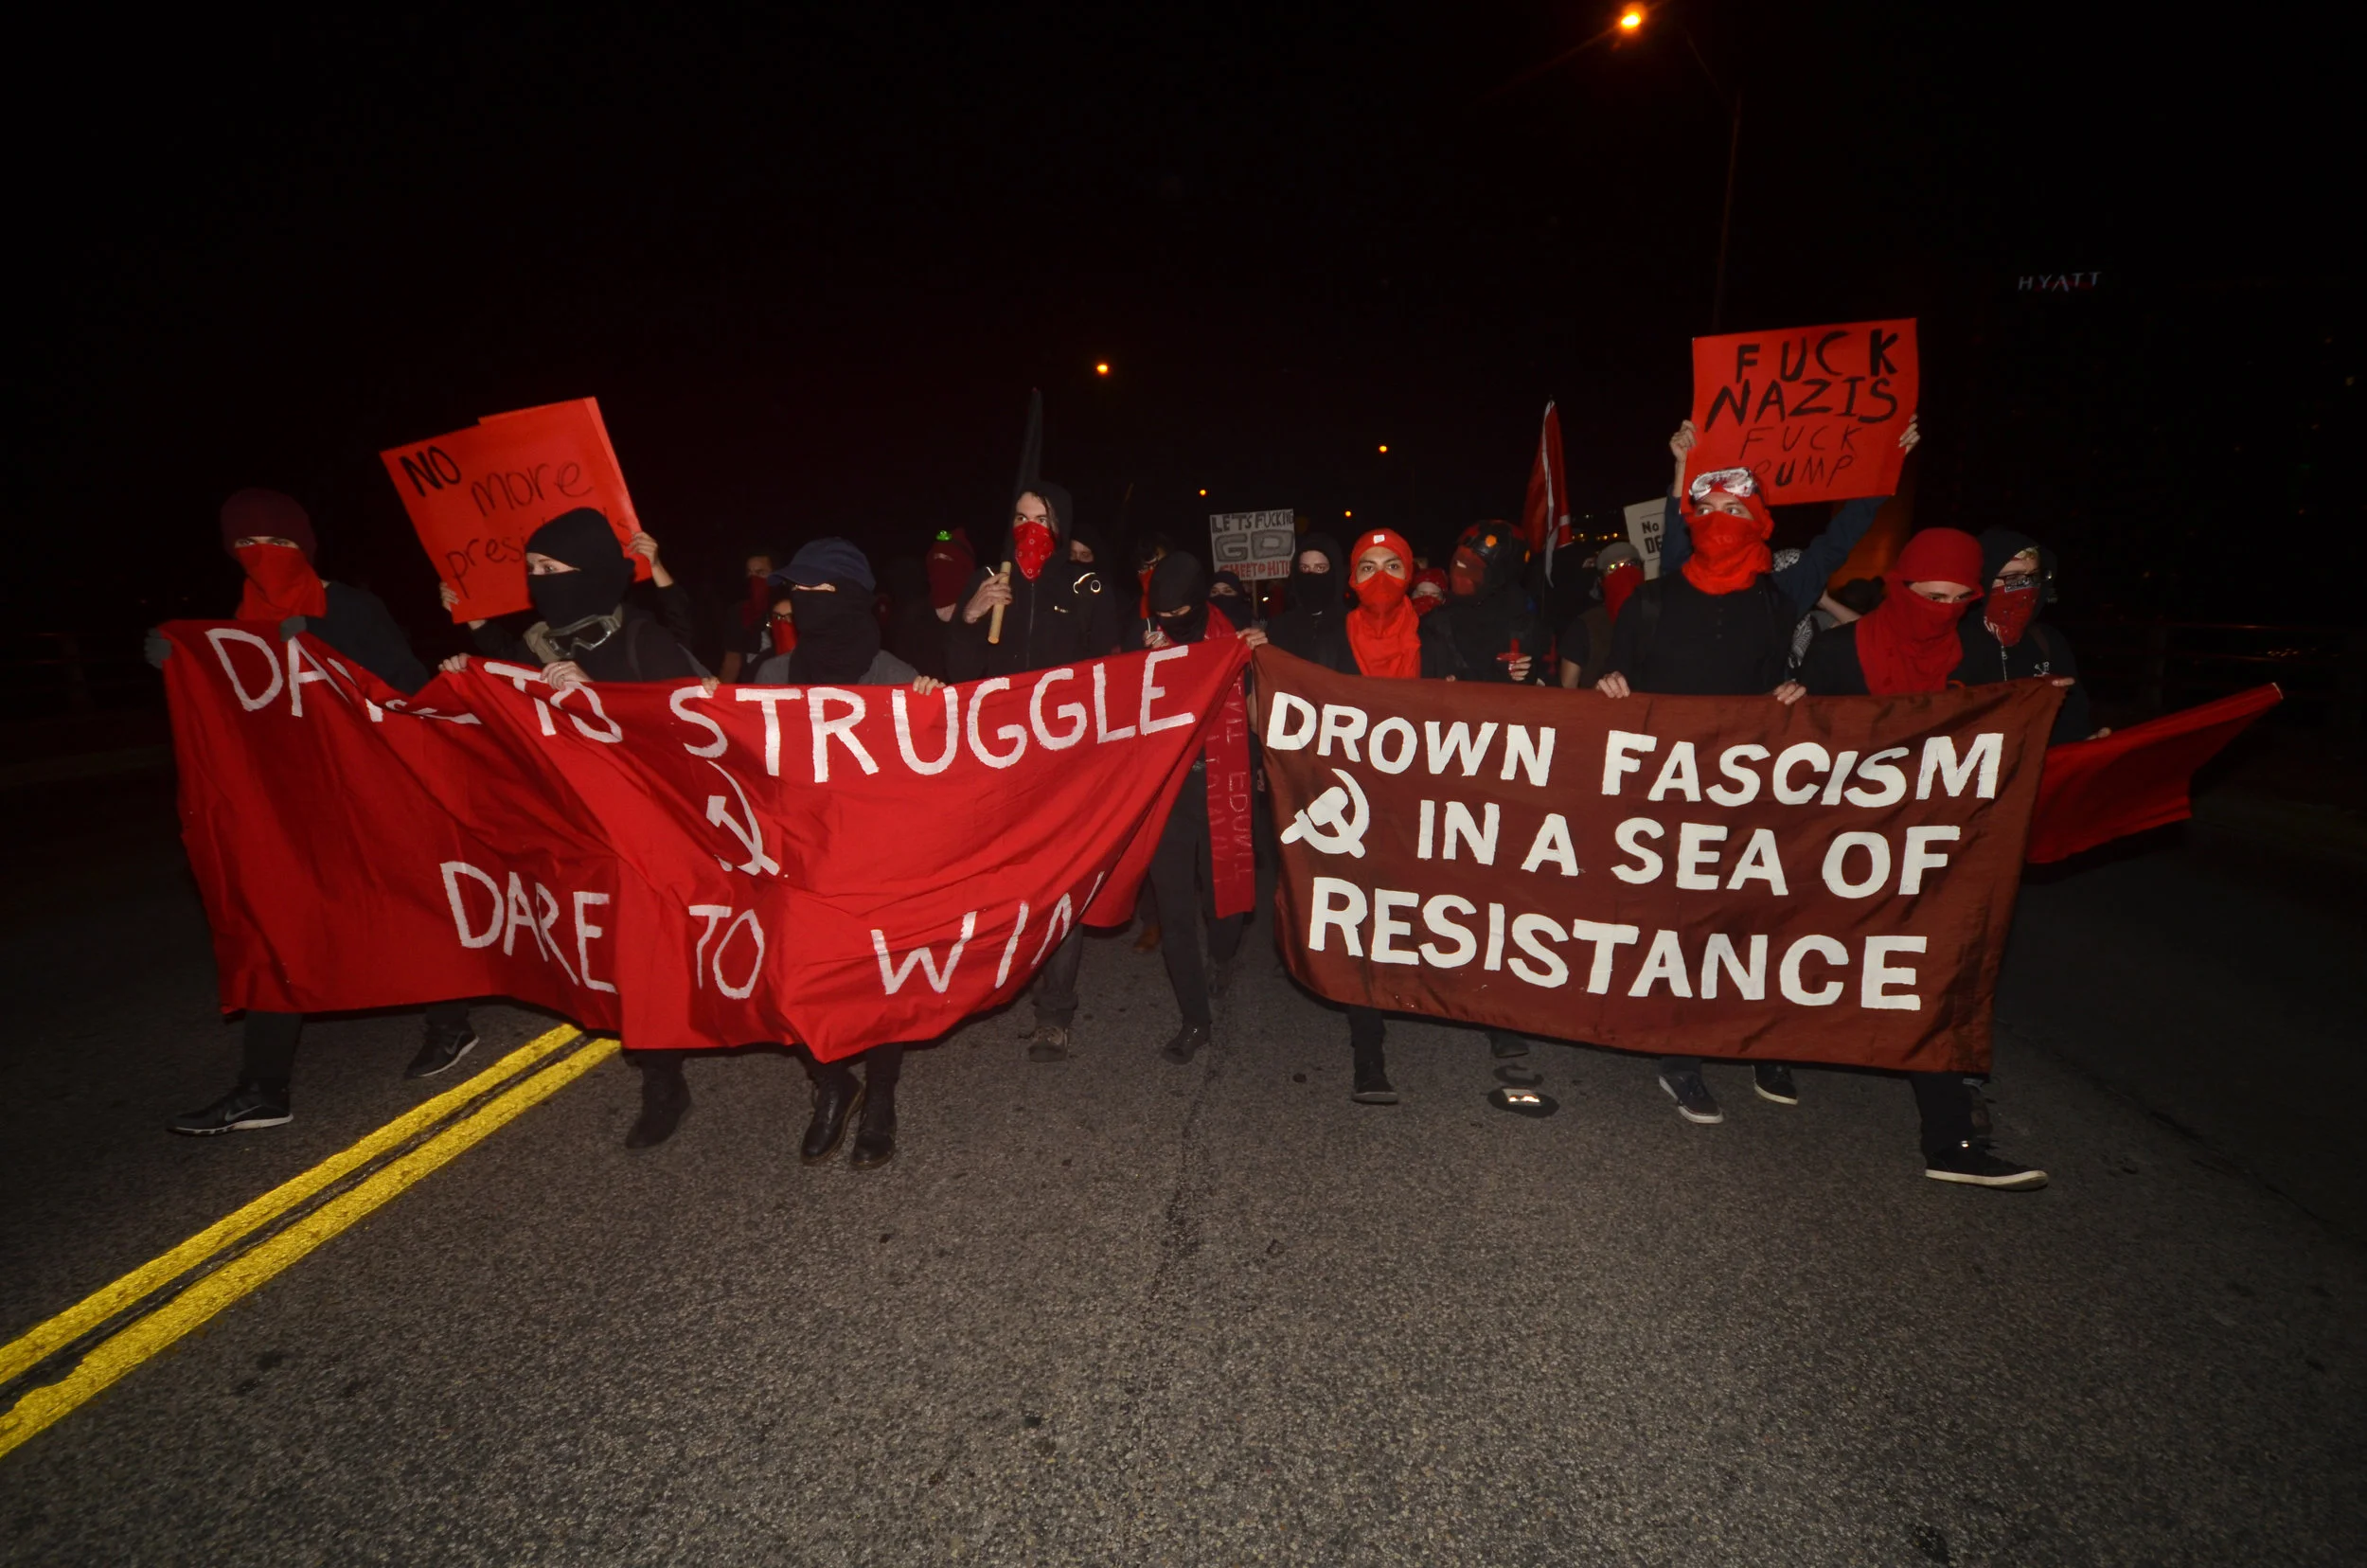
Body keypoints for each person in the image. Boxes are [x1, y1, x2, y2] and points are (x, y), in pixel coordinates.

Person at [1597, 415, 1919, 1126]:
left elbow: (1839, 541)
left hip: (1749, 789)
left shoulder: (1782, 597)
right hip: (1667, 790)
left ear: (1760, 522)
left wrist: (1882, 470)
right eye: (1706, 510)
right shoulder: (1652, 601)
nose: (1719, 521)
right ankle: (1681, 1058)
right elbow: (1612, 676)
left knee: (1747, 919)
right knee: (1680, 925)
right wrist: (1612, 686)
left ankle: (1756, 1037)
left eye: (1735, 510)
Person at [151, 489, 480, 1135]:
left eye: (278, 544)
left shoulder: (351, 607)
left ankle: (451, 1022)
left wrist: (329, 651)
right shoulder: (240, 623)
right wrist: (179, 666)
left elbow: (410, 686)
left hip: (369, 792)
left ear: (304, 547)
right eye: (247, 546)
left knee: (406, 907)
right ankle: (263, 1088)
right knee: (280, 924)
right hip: (293, 806)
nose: (263, 557)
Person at [445, 508, 713, 1149]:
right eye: (532, 570)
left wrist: (595, 696)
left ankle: (805, 1063)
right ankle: (662, 1076)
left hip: (655, 830)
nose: (539, 580)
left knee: (683, 952)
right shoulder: (540, 643)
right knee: (626, 958)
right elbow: (514, 693)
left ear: (590, 574)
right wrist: (474, 660)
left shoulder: (642, 639)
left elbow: (689, 733)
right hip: (585, 830)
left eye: (552, 568)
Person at [1795, 526, 2052, 1190]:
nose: (1940, 608)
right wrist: (1788, 707)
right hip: (1845, 841)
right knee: (1804, 956)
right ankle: (1767, 1050)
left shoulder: (1983, 653)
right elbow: (1795, 748)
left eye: (1955, 597)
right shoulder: (1835, 650)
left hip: (1941, 849)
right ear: (1899, 586)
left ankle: (1949, 1138)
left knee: (1927, 979)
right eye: (1926, 595)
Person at [758, 538, 948, 1169]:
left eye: (819, 591)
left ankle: (882, 1100)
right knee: (799, 984)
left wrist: (930, 712)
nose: (803, 602)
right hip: (803, 864)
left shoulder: (891, 675)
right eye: (798, 590)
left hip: (876, 866)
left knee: (877, 989)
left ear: (853, 600)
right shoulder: (771, 676)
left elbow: (935, 774)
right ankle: (833, 1081)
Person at [947, 484, 1122, 1060]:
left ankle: (1056, 1010)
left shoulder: (1087, 587)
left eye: (1040, 518)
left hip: (1065, 764)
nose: (1029, 528)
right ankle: (1001, 979)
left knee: (1061, 880)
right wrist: (971, 616)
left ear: (1061, 525)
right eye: (1019, 517)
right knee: (1005, 878)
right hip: (999, 761)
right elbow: (960, 673)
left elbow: (1111, 680)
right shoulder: (988, 584)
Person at [1954, 528, 2105, 744]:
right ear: (1983, 579)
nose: (2027, 588)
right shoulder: (1952, 642)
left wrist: (2084, 744)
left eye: (2033, 577)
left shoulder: (2047, 642)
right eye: (2013, 578)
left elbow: (2071, 721)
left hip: (2038, 772)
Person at [1557, 542, 1643, 689]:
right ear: (1600, 580)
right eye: (1613, 568)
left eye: (1630, 564)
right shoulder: (1586, 625)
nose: (1623, 573)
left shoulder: (1665, 616)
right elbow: (1567, 688)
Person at [718, 548, 783, 683]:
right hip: (753, 684)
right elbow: (732, 661)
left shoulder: (787, 606)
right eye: (750, 573)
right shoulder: (738, 611)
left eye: (761, 573)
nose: (754, 579)